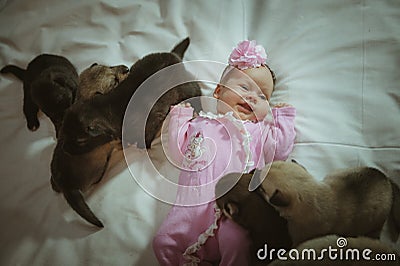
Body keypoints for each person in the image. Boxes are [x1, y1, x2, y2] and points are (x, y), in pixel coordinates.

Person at [153, 40, 296, 265]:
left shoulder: (257, 131)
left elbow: (279, 152)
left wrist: (282, 119)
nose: (252, 97)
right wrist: (179, 119)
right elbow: (177, 152)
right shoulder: (200, 123)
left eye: (263, 97)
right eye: (245, 88)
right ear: (218, 92)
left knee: (237, 241)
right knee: (163, 242)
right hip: (191, 213)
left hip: (234, 211)